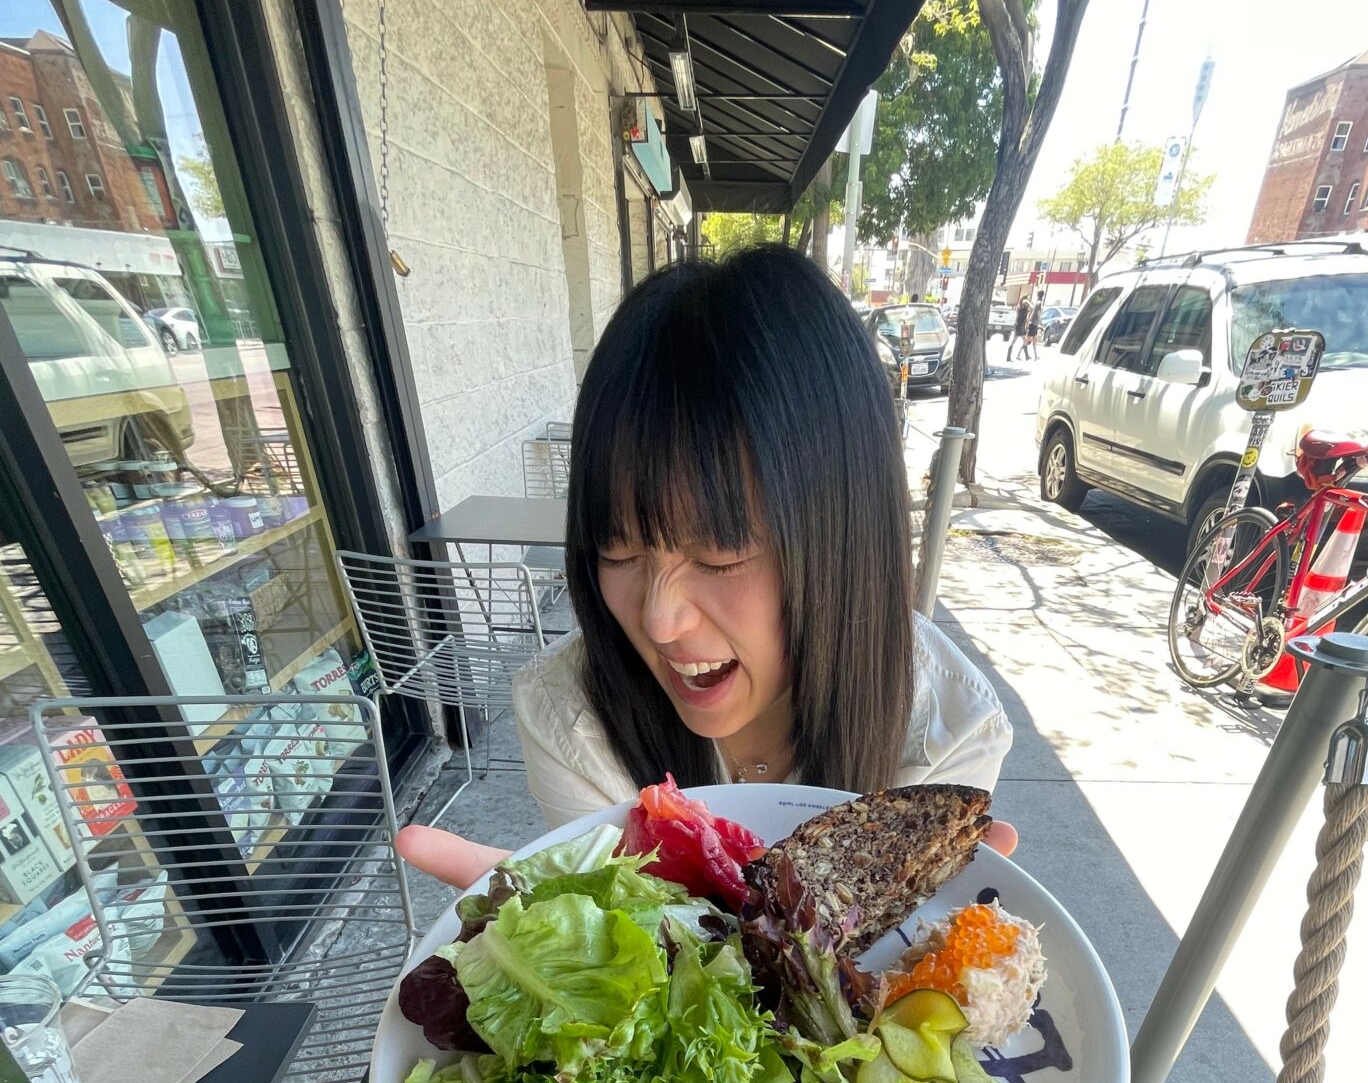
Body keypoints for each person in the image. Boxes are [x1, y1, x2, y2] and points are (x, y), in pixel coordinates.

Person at [398, 247, 1016, 891]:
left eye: (720, 555)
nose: (659, 621)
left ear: (842, 538)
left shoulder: (946, 734)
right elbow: (633, 931)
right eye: (619, 551)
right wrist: (564, 926)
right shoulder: (571, 720)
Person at [1006, 295, 1029, 363]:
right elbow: (1032, 308)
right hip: (1019, 326)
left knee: (1024, 340)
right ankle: (1008, 357)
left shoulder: (1021, 307)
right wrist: (1027, 302)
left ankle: (1026, 356)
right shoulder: (1023, 307)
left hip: (1019, 325)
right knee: (1015, 341)